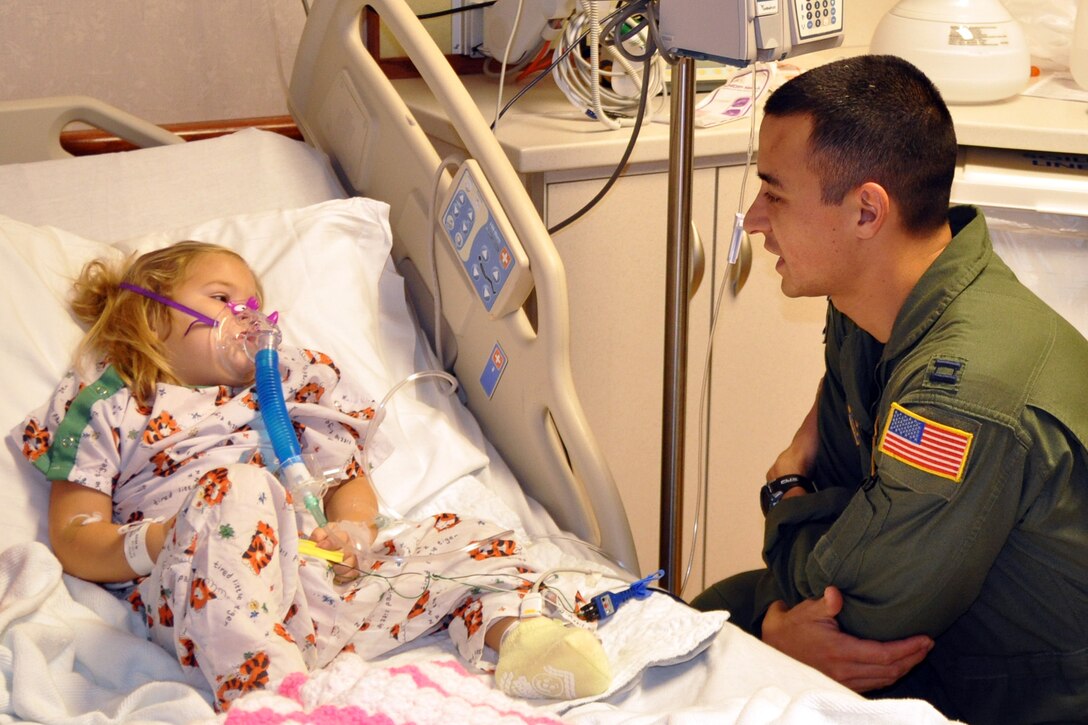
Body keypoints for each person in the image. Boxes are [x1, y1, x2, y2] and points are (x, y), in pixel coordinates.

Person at [14, 240, 611, 711]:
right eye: (223, 298)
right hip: (202, 588)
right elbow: (74, 535)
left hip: (317, 584)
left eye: (253, 303)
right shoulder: (110, 401)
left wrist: (352, 534)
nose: (246, 316)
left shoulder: (291, 387)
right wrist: (157, 540)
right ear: (151, 311)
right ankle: (272, 699)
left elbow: (347, 479)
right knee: (240, 489)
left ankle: (517, 638)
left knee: (467, 534)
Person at [691, 55, 1088, 723]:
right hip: (946, 631)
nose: (755, 220)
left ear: (867, 212)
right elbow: (846, 497)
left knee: (711, 651)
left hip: (1023, 696)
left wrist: (784, 490)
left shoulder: (962, 398)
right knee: (700, 616)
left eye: (775, 193)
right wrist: (781, 622)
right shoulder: (868, 309)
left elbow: (863, 610)